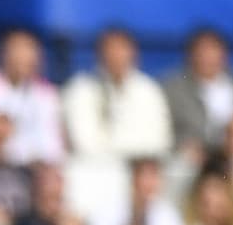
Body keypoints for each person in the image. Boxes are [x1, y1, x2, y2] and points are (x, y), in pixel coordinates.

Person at [64, 27, 172, 159]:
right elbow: (83, 143)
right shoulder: (80, 89)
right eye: (110, 49)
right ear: (98, 54)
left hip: (141, 168)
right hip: (95, 168)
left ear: (134, 53)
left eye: (122, 49)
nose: (116, 55)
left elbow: (160, 140)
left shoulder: (149, 90)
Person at [0, 29, 64, 166]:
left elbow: (53, 144)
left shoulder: (47, 94)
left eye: (29, 51)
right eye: (17, 51)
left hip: (35, 169)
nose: (23, 58)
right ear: (4, 54)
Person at [162, 28, 233, 162]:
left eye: (212, 50)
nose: (207, 57)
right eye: (201, 51)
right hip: (190, 155)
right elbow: (163, 129)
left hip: (229, 153)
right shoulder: (173, 88)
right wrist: (182, 144)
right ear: (190, 55)